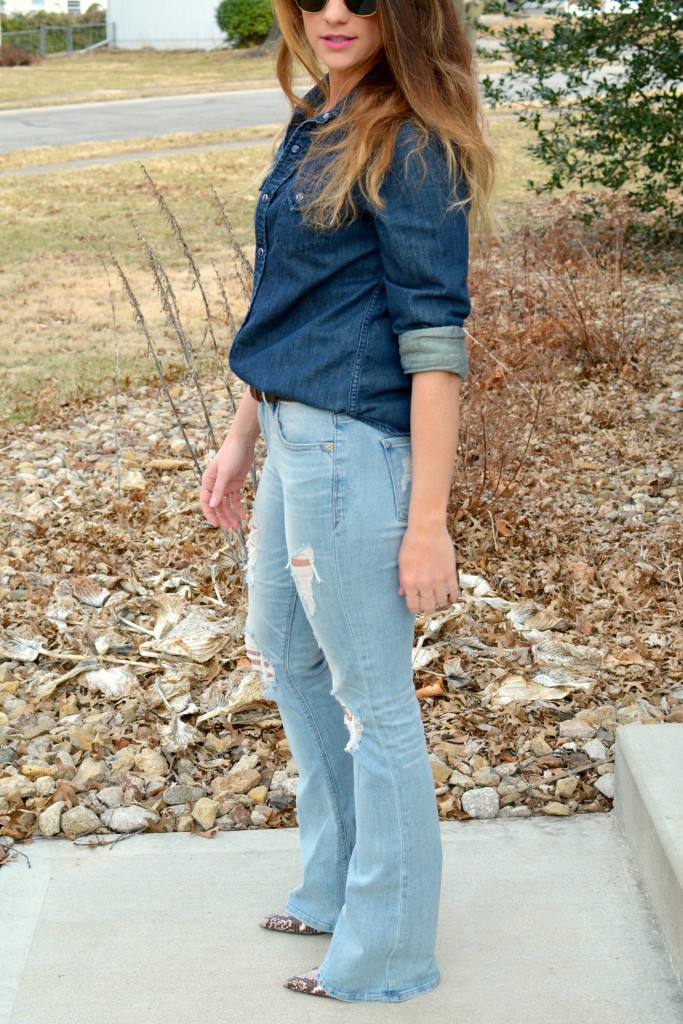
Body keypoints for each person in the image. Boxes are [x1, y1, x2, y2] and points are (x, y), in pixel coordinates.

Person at [199, 0, 497, 1004]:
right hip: (289, 436)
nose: (335, 11)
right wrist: (239, 442)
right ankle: (334, 884)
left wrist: (427, 522)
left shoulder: (411, 144)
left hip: (352, 448)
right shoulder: (316, 115)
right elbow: (286, 300)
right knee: (285, 655)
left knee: (376, 706)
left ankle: (388, 951)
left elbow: (434, 341)